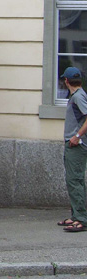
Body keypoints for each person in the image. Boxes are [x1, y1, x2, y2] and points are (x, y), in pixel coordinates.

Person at [59, 67, 87, 233]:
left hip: (77, 145)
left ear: (66, 81)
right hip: (75, 144)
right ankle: (77, 216)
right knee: (75, 180)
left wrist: (77, 136)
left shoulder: (78, 97)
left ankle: (81, 219)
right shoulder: (77, 95)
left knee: (74, 181)